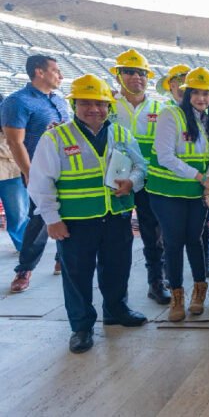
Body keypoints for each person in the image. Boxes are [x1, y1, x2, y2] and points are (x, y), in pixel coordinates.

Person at [28, 74, 148, 353]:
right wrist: (52, 219)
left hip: (116, 215)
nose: (94, 109)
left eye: (100, 103)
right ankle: (81, 327)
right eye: (86, 103)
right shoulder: (57, 136)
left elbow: (140, 166)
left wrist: (132, 181)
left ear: (108, 106)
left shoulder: (121, 133)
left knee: (118, 267)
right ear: (74, 104)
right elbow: (40, 181)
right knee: (78, 275)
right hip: (76, 220)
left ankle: (116, 309)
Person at [145, 67, 209, 322]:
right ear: (187, 93)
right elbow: (165, 156)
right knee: (174, 242)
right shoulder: (170, 114)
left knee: (195, 239)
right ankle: (177, 295)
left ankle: (199, 292)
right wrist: (200, 177)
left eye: (206, 94)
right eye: (196, 93)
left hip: (196, 193)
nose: (201, 98)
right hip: (167, 193)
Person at [2, 55, 69, 292]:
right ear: (39, 72)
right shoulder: (17, 101)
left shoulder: (60, 101)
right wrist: (30, 173)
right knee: (39, 219)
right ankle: (24, 270)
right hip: (39, 172)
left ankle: (63, 260)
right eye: (55, 70)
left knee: (69, 214)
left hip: (67, 171)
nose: (60, 76)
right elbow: (15, 141)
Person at [109, 49, 169, 304]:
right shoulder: (107, 105)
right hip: (115, 180)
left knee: (153, 235)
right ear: (119, 75)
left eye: (141, 73)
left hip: (149, 181)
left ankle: (157, 281)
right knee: (117, 238)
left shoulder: (160, 108)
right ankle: (115, 293)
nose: (136, 77)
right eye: (130, 72)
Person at [0, 92, 29, 252]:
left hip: (11, 175)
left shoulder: (10, 116)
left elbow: (16, 146)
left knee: (18, 214)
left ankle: (24, 247)